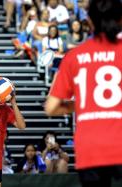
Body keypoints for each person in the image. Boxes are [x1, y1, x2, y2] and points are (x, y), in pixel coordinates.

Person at [45, 0, 122, 186]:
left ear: (89, 20)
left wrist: (78, 104)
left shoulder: (74, 56)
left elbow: (51, 107)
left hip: (90, 146)